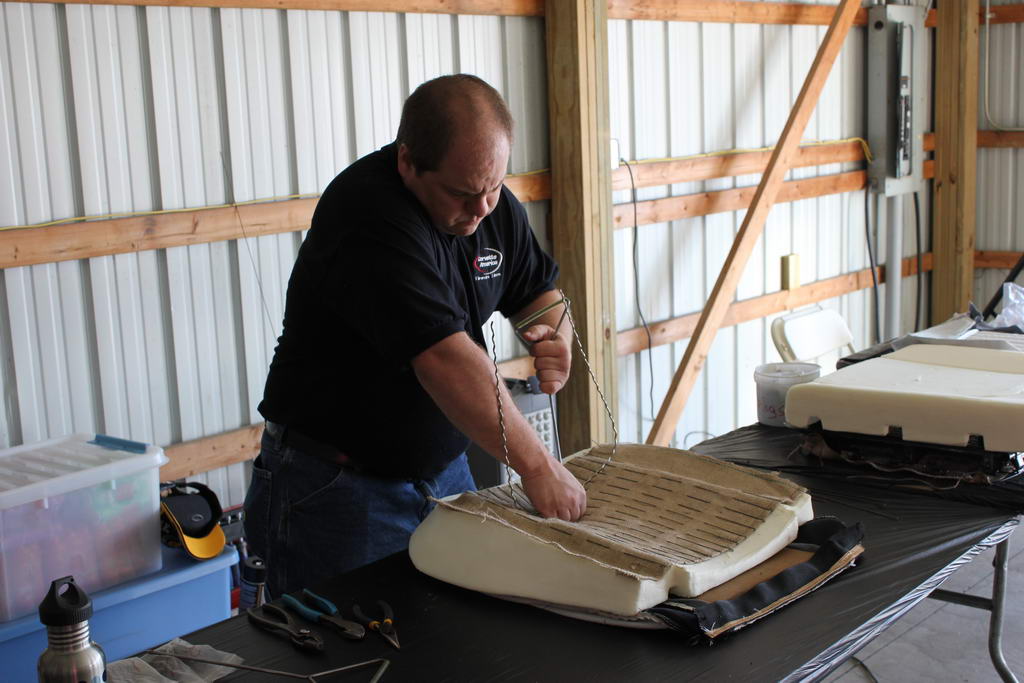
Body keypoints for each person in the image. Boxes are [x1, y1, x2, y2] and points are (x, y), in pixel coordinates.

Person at [243, 74, 587, 597]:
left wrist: (553, 334)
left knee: (461, 640)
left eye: (495, 188)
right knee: (340, 658)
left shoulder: (486, 198)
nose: (482, 210)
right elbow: (445, 359)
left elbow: (536, 288)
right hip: (338, 487)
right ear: (408, 162)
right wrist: (538, 467)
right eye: (464, 194)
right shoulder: (368, 215)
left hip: (442, 472)